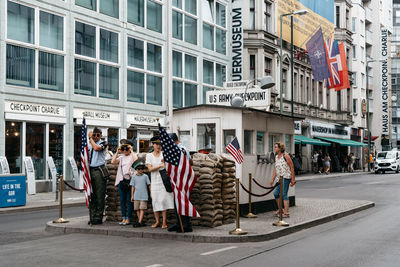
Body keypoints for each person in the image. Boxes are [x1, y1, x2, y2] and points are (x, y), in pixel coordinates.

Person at [145, 136, 174, 229]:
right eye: (156, 144)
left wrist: (166, 163)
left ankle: (164, 222)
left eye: (160, 144)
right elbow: (149, 169)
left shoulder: (164, 154)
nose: (158, 146)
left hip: (164, 181)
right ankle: (157, 221)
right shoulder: (149, 155)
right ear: (153, 145)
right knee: (155, 201)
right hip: (154, 181)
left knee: (163, 201)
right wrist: (160, 165)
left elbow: (170, 166)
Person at [167, 133, 193, 233]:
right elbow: (191, 162)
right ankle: (179, 223)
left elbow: (188, 163)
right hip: (177, 177)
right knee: (177, 202)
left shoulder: (181, 149)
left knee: (182, 201)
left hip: (182, 177)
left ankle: (186, 225)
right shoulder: (179, 148)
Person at [111, 141, 137, 225]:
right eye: (123, 149)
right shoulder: (121, 157)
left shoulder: (132, 156)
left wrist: (131, 150)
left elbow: (136, 160)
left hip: (130, 181)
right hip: (121, 181)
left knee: (129, 201)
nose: (125, 150)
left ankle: (128, 218)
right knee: (122, 201)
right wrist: (117, 151)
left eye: (126, 149)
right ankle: (123, 218)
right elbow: (113, 161)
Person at [88, 128, 109, 225]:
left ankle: (98, 216)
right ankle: (92, 216)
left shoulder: (103, 143)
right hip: (90, 170)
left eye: (97, 135)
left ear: (101, 135)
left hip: (99, 170)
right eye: (94, 135)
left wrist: (90, 138)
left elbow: (97, 148)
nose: (96, 137)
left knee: (100, 194)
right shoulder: (89, 144)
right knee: (92, 195)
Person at [269, 142, 295, 218]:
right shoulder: (276, 157)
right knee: (276, 193)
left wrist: (293, 179)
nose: (275, 148)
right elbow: (275, 168)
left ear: (280, 148)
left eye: (276, 147)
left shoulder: (286, 155)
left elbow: (292, 167)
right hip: (279, 178)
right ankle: (281, 209)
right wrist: (272, 179)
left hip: (286, 177)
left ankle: (286, 213)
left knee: (284, 194)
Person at [130, 160, 151, 227]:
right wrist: (132, 195)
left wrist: (150, 193)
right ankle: (140, 221)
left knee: (142, 208)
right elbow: (133, 187)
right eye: (139, 169)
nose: (140, 170)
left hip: (144, 195)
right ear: (136, 169)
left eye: (142, 169)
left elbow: (149, 185)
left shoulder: (145, 176)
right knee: (137, 209)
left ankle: (139, 222)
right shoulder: (134, 177)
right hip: (136, 195)